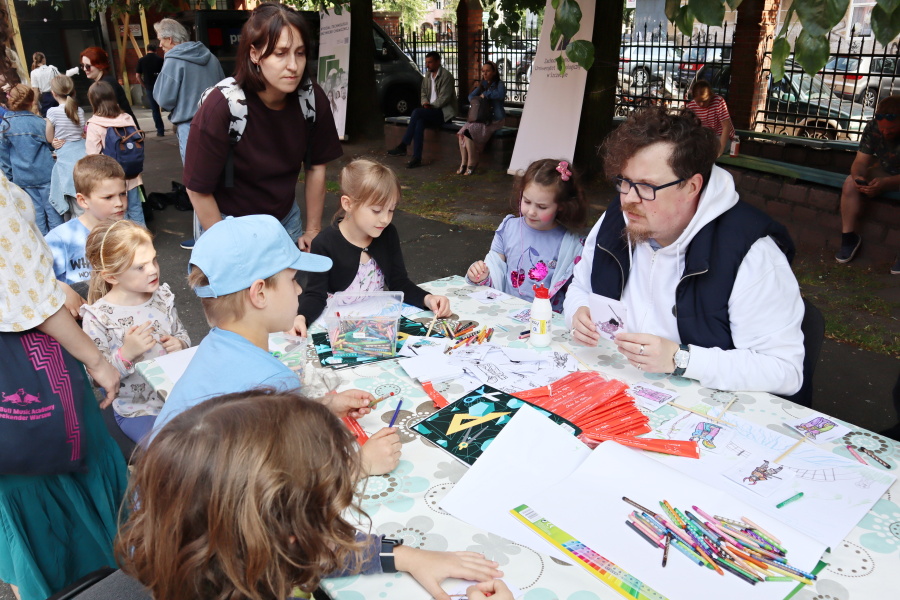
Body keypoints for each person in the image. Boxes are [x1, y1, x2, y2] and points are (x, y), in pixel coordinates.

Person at [118, 390, 506, 600]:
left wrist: (404, 556)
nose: (335, 529)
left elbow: (313, 549)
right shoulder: (275, 555)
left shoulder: (219, 554)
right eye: (327, 516)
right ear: (292, 537)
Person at [564, 107, 805, 397]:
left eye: (647, 187)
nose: (628, 200)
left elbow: (785, 371)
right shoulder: (617, 218)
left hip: (708, 410)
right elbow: (580, 287)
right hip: (619, 388)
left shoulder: (750, 252)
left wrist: (681, 359)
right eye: (624, 181)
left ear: (692, 186)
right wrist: (577, 312)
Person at [150, 214, 399, 476]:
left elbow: (250, 419)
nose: (299, 290)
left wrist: (322, 407)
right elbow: (295, 479)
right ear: (259, 294)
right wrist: (361, 464)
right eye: (292, 280)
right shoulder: (273, 383)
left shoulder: (214, 344)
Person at [0, 105, 127, 600]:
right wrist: (98, 361)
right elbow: (31, 298)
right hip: (26, 366)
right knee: (68, 474)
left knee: (20, 517)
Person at [184, 3, 341, 251]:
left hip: (285, 221)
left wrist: (313, 230)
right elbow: (197, 189)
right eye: (280, 53)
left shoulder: (311, 99)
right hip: (226, 222)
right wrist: (227, 248)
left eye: (300, 53)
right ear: (255, 54)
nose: (293, 65)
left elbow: (316, 166)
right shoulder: (223, 106)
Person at [293, 159, 452, 334]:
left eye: (391, 210)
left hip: (377, 325)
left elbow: (399, 282)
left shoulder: (387, 234)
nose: (385, 219)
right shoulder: (324, 243)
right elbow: (315, 294)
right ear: (348, 204)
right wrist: (302, 318)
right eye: (376, 210)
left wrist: (427, 299)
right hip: (337, 328)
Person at [81, 220, 190, 443]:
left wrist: (180, 344)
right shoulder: (98, 318)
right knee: (171, 451)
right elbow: (95, 378)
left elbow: (182, 333)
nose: (153, 270)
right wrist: (126, 354)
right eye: (140, 267)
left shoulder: (162, 297)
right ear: (112, 277)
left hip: (178, 397)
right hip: (138, 410)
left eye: (154, 260)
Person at [466, 159, 587, 312]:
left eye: (542, 206)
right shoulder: (508, 229)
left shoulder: (571, 244)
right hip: (506, 316)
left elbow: (577, 293)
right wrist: (481, 276)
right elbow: (495, 274)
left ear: (561, 206)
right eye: (527, 201)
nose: (531, 212)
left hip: (545, 321)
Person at [46, 155, 126, 305]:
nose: (119, 203)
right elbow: (39, 277)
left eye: (122, 194)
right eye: (108, 197)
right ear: (83, 200)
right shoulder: (60, 238)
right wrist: (61, 289)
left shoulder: (127, 233)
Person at [835, 95, 900, 273]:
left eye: (891, 129)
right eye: (882, 128)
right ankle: (849, 238)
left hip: (892, 178)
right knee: (850, 182)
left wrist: (886, 183)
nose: (885, 133)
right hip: (886, 171)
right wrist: (859, 178)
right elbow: (861, 161)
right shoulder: (872, 127)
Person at [153, 19, 225, 160]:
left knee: (195, 171)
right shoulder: (211, 57)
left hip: (190, 126)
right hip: (217, 123)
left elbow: (164, 99)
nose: (160, 45)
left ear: (170, 39)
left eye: (161, 39)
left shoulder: (173, 61)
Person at [85, 80, 146, 226]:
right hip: (132, 175)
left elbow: (92, 156)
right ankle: (142, 238)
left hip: (111, 179)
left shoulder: (94, 124)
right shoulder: (127, 118)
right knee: (136, 209)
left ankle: (124, 240)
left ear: (93, 101)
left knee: (119, 214)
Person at [0, 83, 59, 234]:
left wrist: (10, 176)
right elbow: (50, 144)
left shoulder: (6, 125)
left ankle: (43, 243)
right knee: (53, 211)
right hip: (45, 174)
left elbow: (3, 155)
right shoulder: (39, 122)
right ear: (32, 102)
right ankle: (58, 241)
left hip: (22, 177)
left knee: (36, 215)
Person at [387, 50, 457, 168]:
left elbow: (444, 98)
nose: (427, 65)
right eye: (426, 62)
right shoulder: (428, 76)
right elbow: (423, 92)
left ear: (438, 62)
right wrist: (424, 102)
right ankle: (416, 158)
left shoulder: (446, 76)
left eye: (430, 62)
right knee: (419, 122)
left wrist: (431, 106)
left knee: (417, 112)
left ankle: (404, 145)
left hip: (444, 113)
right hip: (430, 111)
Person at [457, 61, 506, 175]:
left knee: (469, 132)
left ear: (494, 72)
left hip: (495, 120)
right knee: (462, 132)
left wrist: (486, 94)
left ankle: (472, 161)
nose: (485, 74)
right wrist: (479, 97)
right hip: (482, 119)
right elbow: (470, 97)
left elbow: (500, 95)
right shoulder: (483, 84)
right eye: (483, 71)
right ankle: (464, 162)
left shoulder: (499, 84)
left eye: (487, 71)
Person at [79, 46, 137, 125]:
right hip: (123, 127)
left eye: (88, 66)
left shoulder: (106, 84)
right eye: (82, 65)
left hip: (121, 128)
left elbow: (108, 113)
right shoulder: (105, 81)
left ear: (100, 65)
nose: (84, 69)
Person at [684, 79, 734, 156]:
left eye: (704, 101)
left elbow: (726, 126)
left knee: (707, 149)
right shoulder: (691, 106)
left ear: (710, 95)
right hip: (704, 137)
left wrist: (720, 150)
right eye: (698, 101)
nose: (701, 104)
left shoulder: (718, 102)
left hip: (720, 137)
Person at [45, 74, 85, 149]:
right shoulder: (80, 110)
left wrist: (54, 142)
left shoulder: (52, 112)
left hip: (64, 151)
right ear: (74, 92)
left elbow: (49, 138)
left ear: (53, 93)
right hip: (83, 148)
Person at [135, 42, 165, 137]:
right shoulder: (161, 60)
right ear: (156, 50)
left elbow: (137, 76)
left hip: (149, 87)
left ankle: (160, 131)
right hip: (161, 87)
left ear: (147, 50)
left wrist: (144, 85)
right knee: (169, 106)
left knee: (155, 110)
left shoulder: (141, 60)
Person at [29, 51, 59, 116]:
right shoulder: (52, 68)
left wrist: (35, 103)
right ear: (44, 59)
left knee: (47, 116)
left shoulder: (34, 73)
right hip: (57, 94)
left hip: (45, 97)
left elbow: (36, 91)